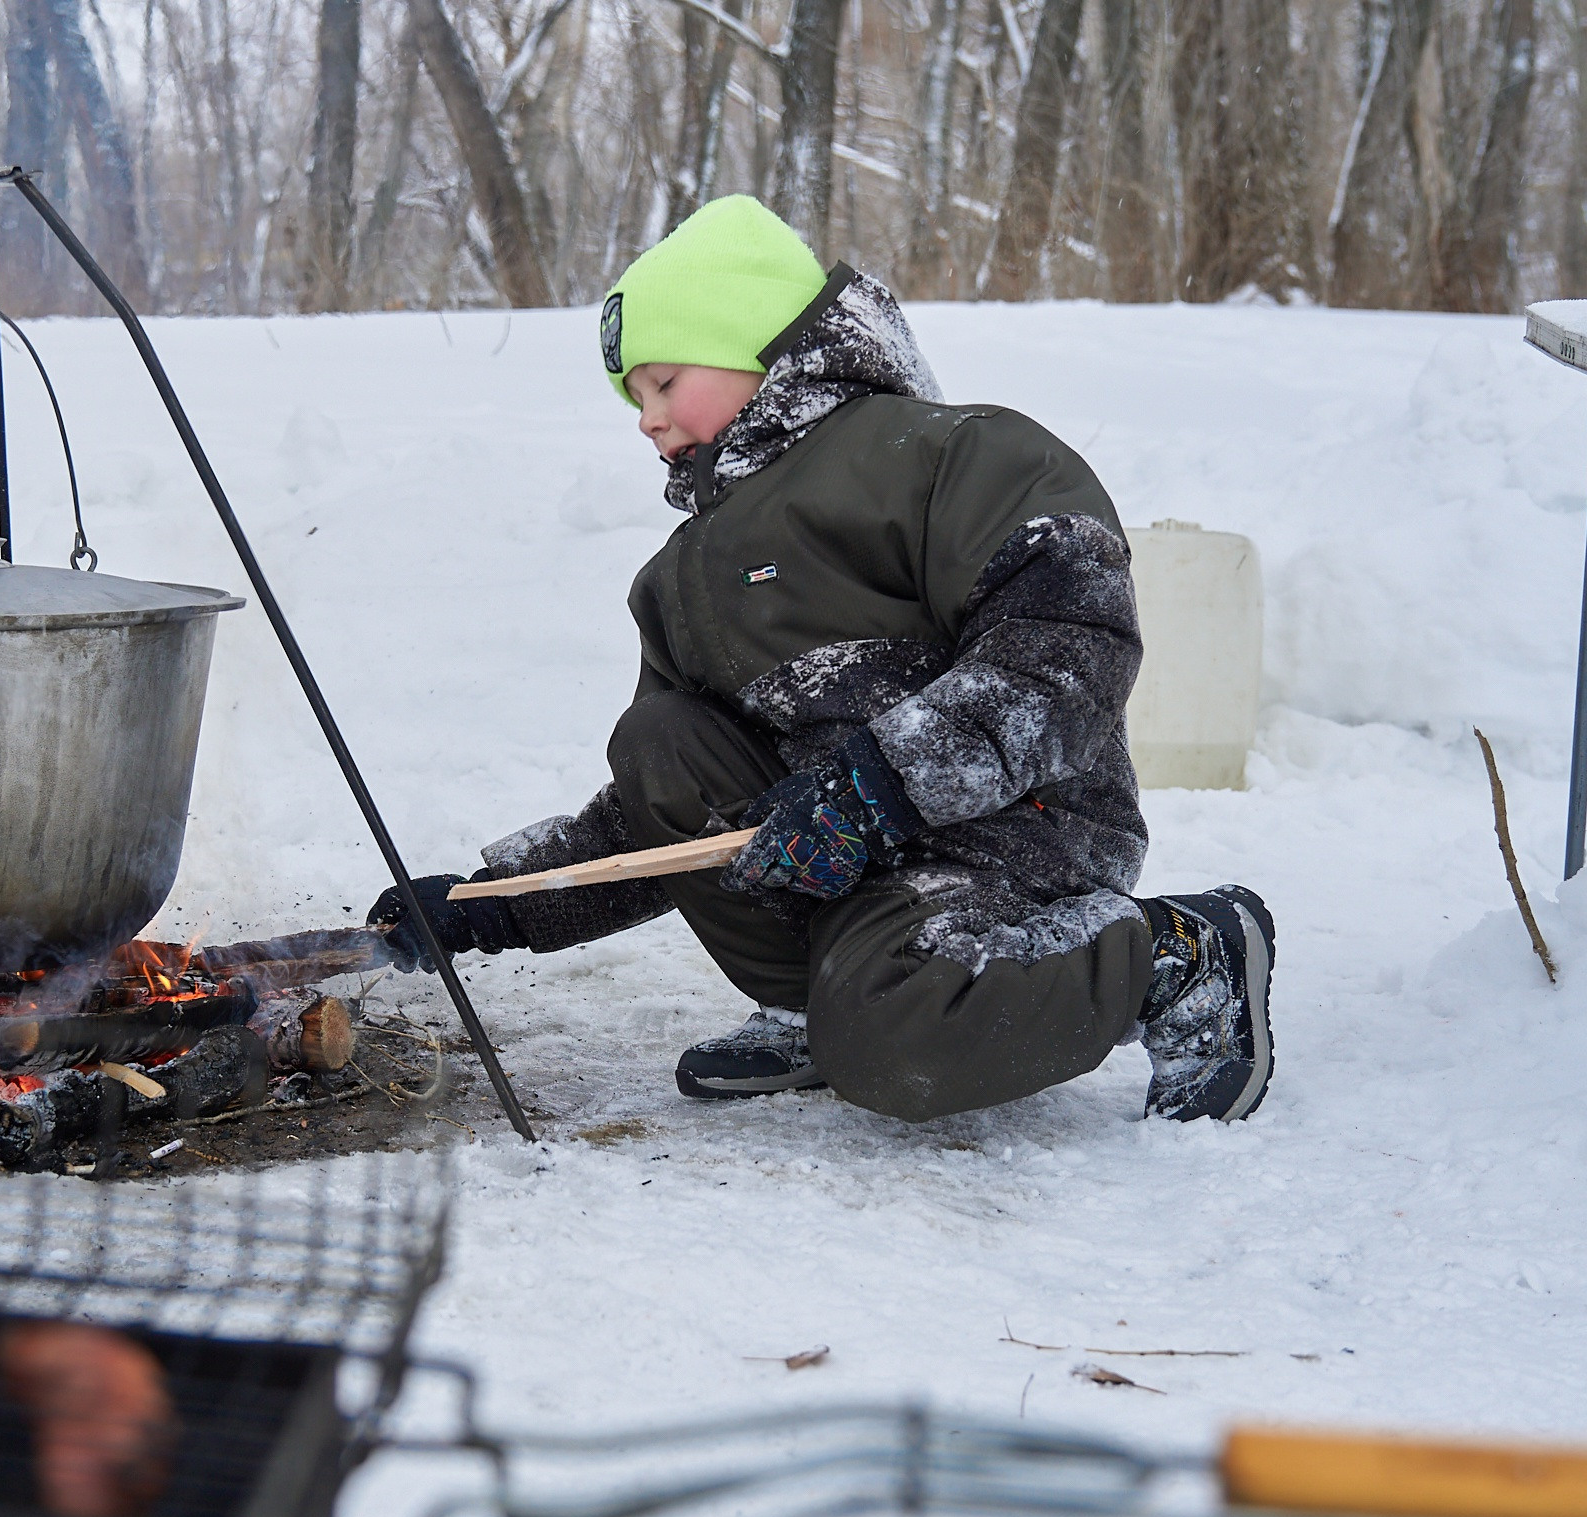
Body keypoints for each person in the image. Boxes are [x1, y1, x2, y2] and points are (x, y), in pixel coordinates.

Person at [368, 196, 1275, 1124]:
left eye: (665, 381)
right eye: (635, 399)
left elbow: (1068, 643)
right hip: (853, 867)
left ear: (759, 346)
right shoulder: (682, 576)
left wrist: (884, 783)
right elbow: (660, 819)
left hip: (1012, 841)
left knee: (893, 1046)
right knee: (660, 740)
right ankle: (819, 998)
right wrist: (498, 902)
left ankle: (1172, 954)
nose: (647, 419)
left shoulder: (943, 455)